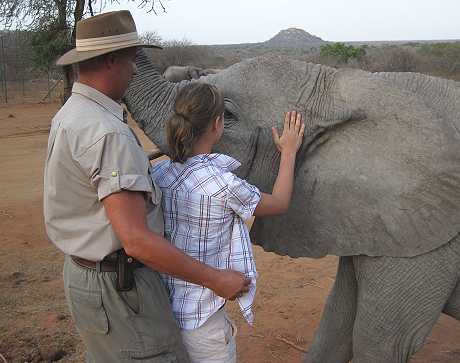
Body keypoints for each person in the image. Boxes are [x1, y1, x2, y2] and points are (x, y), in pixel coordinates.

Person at [43, 10, 250, 363]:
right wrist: (215, 279)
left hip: (87, 276)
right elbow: (137, 240)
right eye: (129, 60)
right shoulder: (107, 134)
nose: (135, 70)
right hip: (121, 289)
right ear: (110, 61)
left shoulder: (72, 113)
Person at [150, 82, 305, 363]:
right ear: (217, 124)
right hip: (204, 322)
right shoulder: (223, 184)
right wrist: (289, 151)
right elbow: (280, 202)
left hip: (162, 314)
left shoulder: (160, 172)